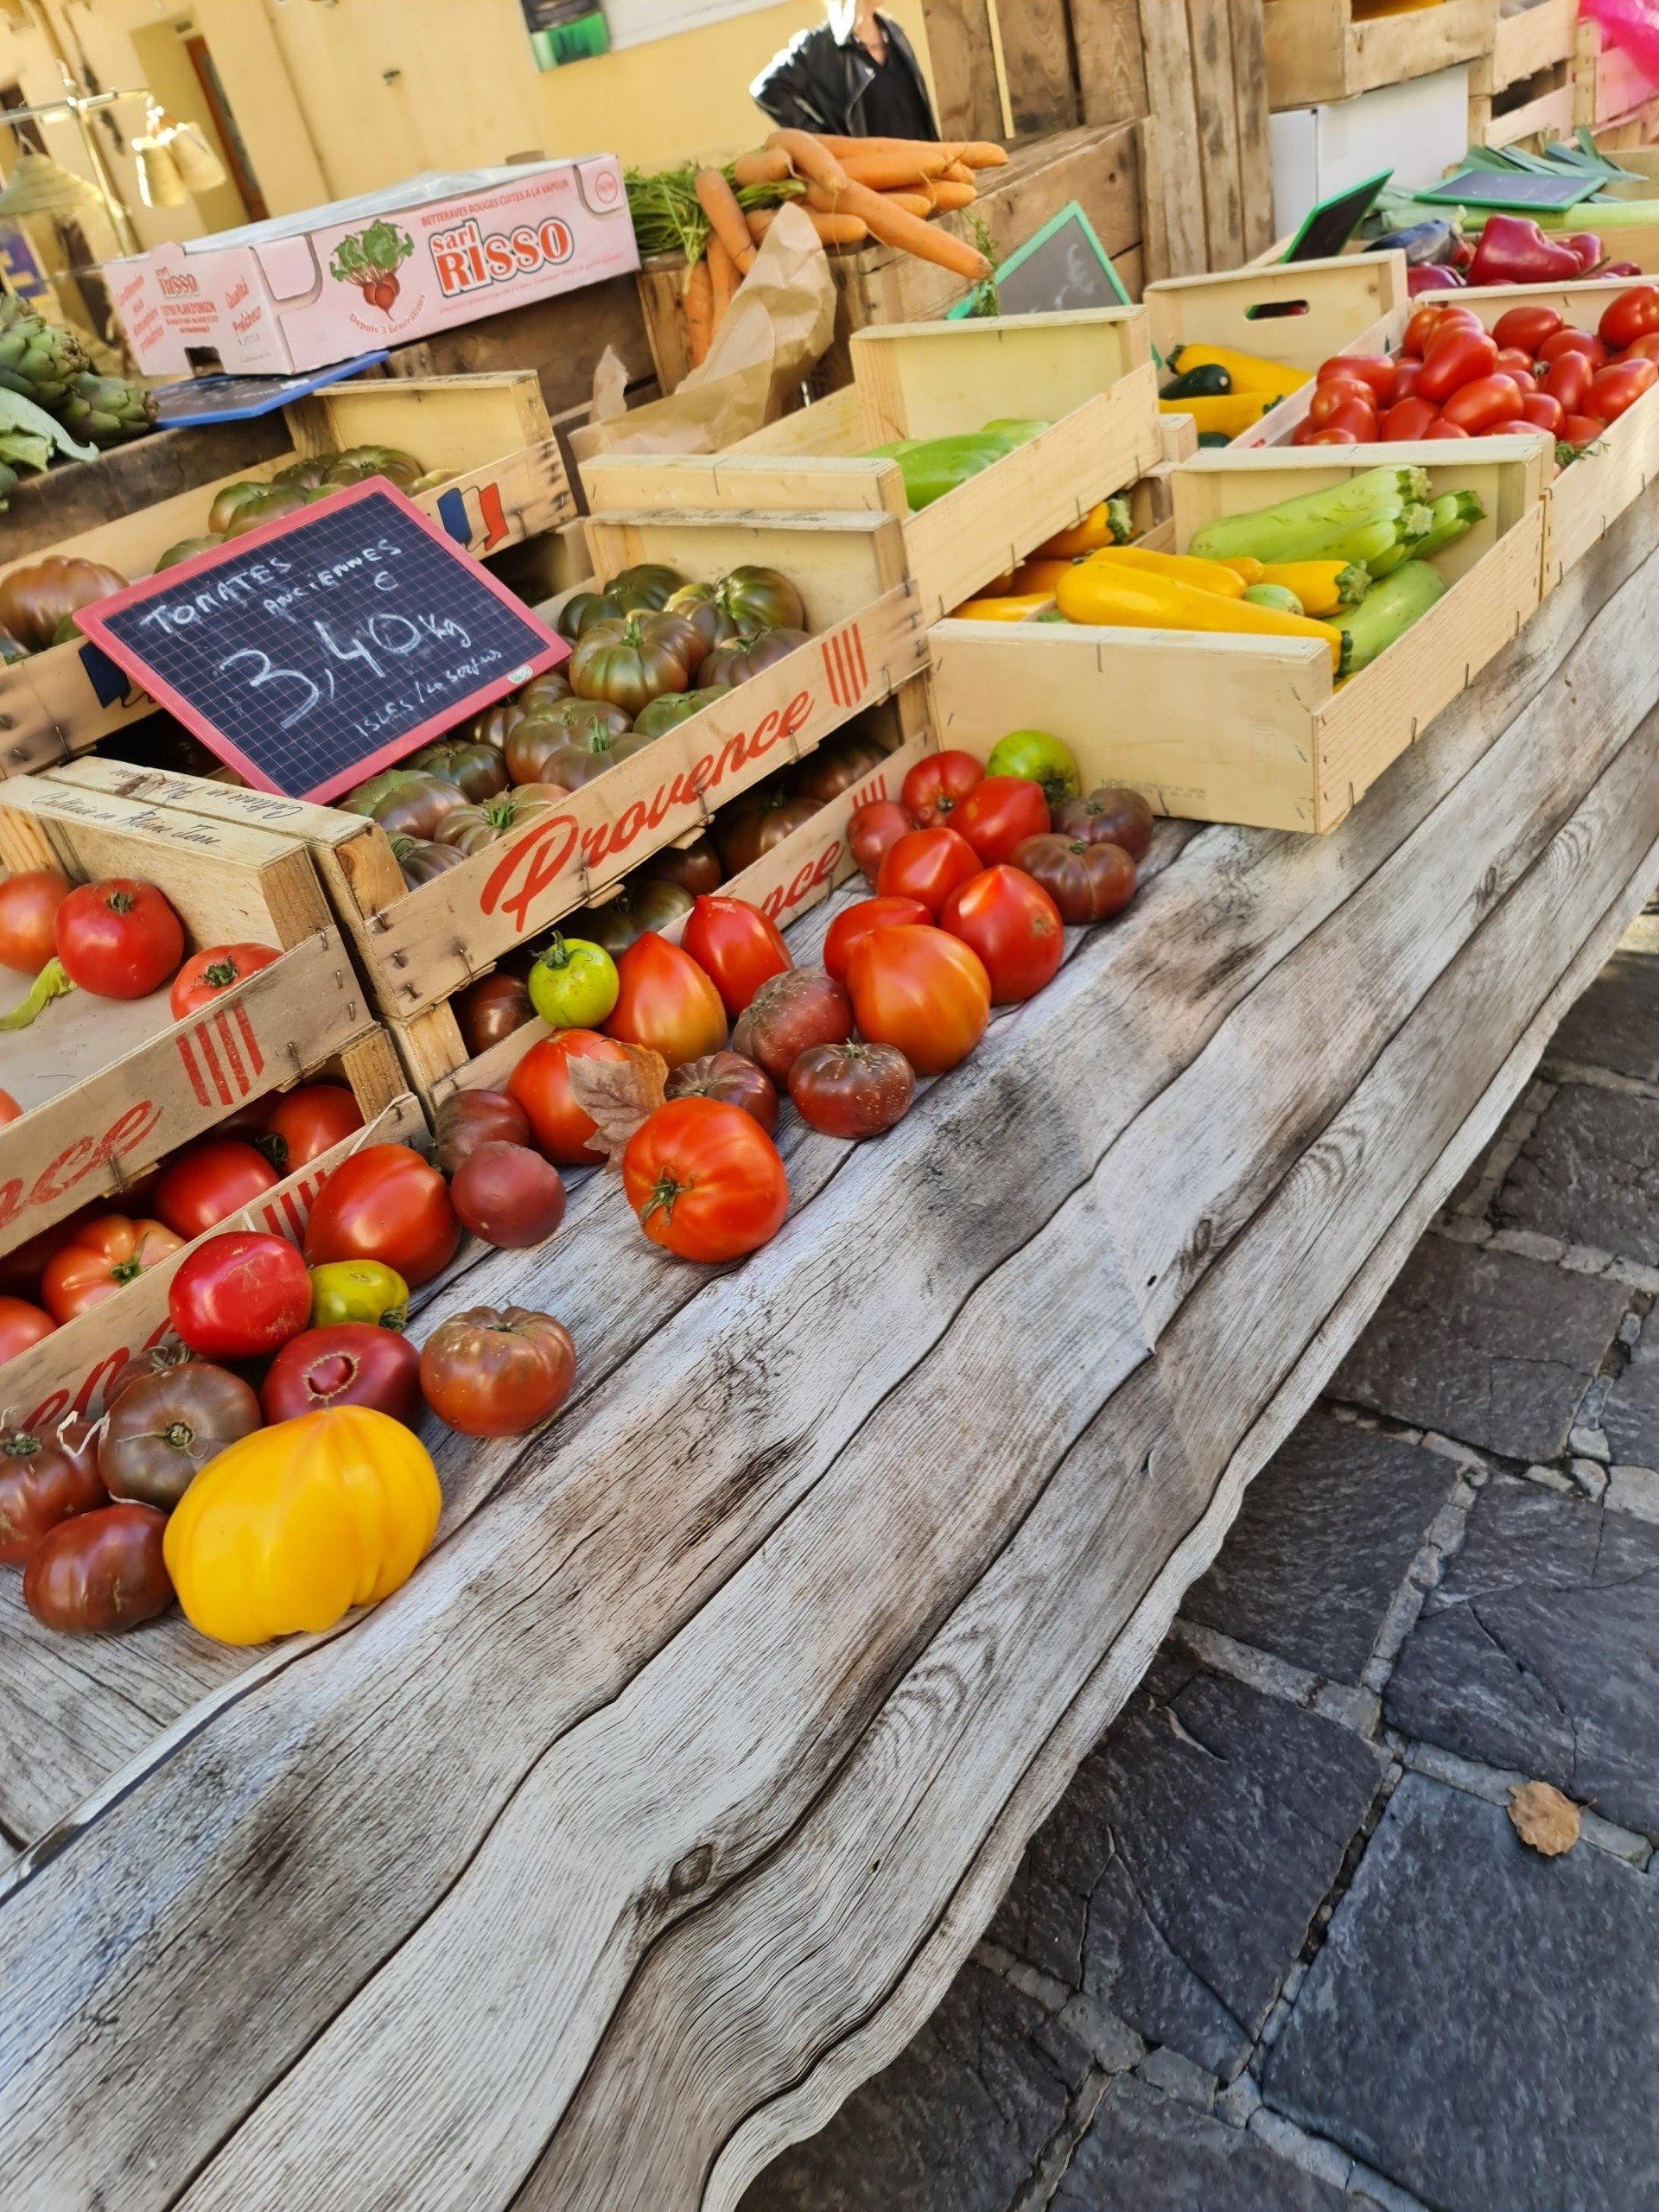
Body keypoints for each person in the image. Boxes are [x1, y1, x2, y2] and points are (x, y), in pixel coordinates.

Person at [752, 1, 938, 141]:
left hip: (924, 177)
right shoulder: (819, 47)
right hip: (873, 183)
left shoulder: (892, 32)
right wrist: (824, 140)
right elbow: (766, 89)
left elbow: (919, 114)